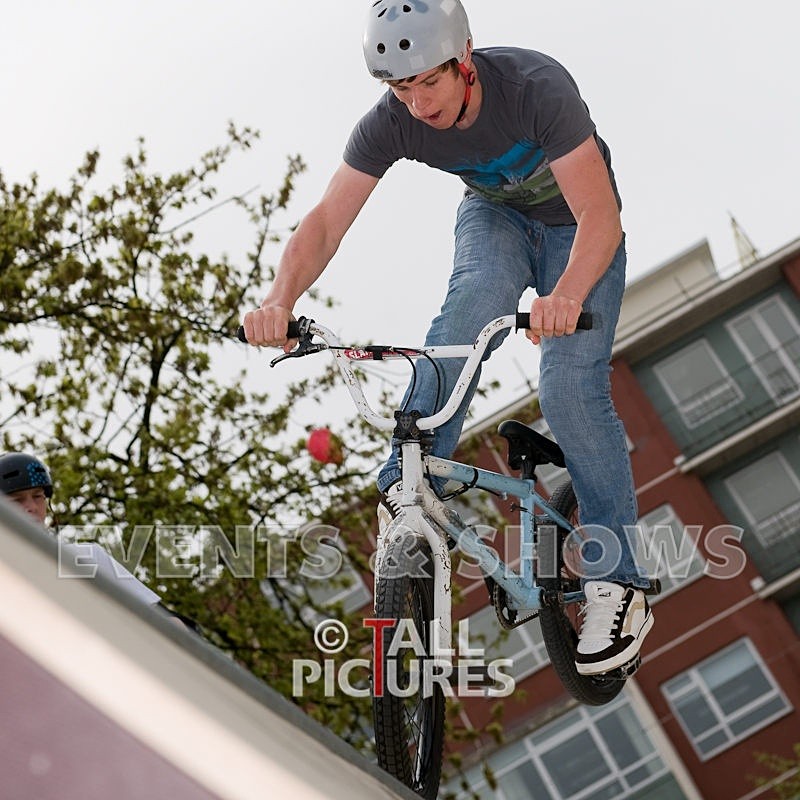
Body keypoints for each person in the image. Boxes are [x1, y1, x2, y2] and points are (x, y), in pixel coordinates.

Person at [242, 0, 652, 675]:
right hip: (493, 218)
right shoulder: (392, 123)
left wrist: (566, 296)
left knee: (569, 389)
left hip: (576, 232)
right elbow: (323, 224)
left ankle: (621, 584)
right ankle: (406, 497)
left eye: (429, 82)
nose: (418, 103)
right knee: (464, 318)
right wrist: (278, 300)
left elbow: (599, 214)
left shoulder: (535, 89)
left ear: (465, 60)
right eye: (400, 89)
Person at [0, 451, 161, 608]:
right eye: (17, 500)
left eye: (37, 497)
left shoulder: (87, 558)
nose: (32, 507)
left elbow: (164, 619)